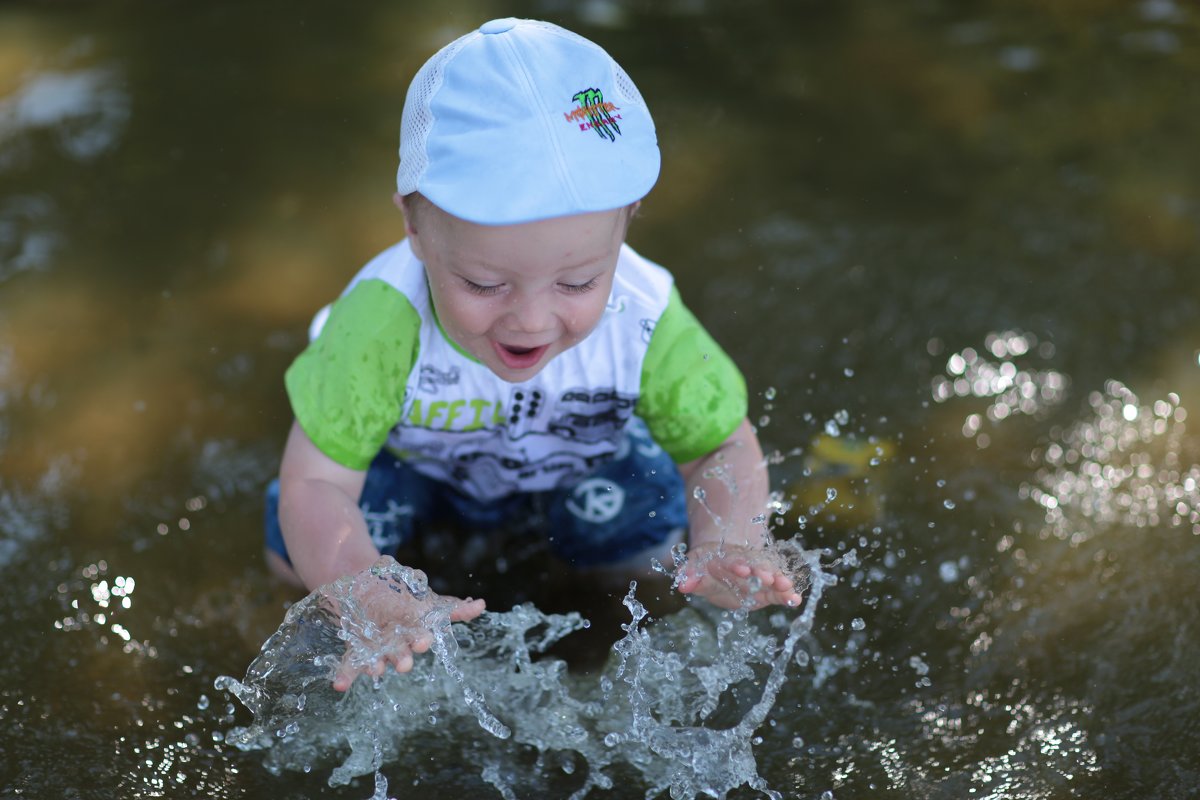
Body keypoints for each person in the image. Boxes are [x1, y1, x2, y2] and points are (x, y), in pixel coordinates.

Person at [264, 17, 802, 691]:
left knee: (648, 545)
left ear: (628, 219)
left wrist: (728, 540)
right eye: (484, 284)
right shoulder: (379, 323)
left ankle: (607, 624)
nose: (533, 319)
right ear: (414, 225)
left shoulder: (645, 317)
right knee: (295, 551)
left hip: (577, 462)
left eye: (578, 282)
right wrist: (357, 589)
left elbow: (722, 447)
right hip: (416, 468)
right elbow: (317, 482)